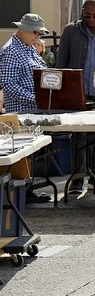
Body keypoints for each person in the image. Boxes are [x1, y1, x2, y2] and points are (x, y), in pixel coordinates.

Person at [0, 13, 52, 203]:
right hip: (21, 111)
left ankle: (26, 191)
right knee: (24, 152)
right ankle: (24, 193)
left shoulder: (28, 47)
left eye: (41, 33)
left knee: (29, 152)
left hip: (34, 109)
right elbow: (9, 85)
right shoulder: (11, 51)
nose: (39, 36)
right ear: (23, 30)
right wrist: (36, 99)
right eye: (36, 32)